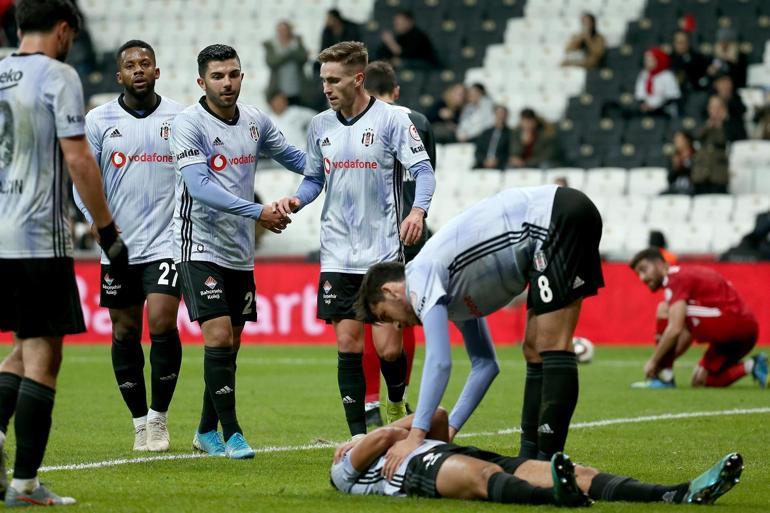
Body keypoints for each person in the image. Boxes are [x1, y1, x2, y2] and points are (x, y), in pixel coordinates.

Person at [355, 184, 603, 478]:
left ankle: (549, 462)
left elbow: (439, 361)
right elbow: (485, 365)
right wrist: (450, 428)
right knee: (533, 348)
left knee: (552, 342)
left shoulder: (419, 275)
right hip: (550, 224)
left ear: (389, 291)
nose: (399, 325)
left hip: (552, 217)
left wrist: (416, 435)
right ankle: (529, 458)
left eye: (387, 316)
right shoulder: (448, 291)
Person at [273, 41, 436, 439]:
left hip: (382, 254)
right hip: (336, 253)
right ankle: (358, 436)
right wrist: (298, 198)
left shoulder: (393, 121)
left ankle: (395, 399)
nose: (326, 87)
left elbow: (424, 171)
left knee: (390, 350)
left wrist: (417, 211)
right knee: (347, 344)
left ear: (358, 78)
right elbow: (315, 178)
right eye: (323, 79)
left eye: (334, 80)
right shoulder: (319, 126)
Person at [0, 0, 128, 506]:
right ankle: (26, 484)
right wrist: (106, 230)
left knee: (25, 345)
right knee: (45, 356)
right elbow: (78, 159)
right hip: (36, 236)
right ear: (64, 29)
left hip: (0, 234)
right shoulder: (58, 75)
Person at [170, 44, 305, 459]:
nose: (226, 83)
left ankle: (205, 430)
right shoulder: (188, 125)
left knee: (231, 345)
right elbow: (200, 188)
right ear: (201, 82)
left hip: (239, 252)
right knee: (217, 335)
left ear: (242, 76)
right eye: (217, 76)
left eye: (233, 74)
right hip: (198, 244)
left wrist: (336, 164)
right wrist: (259, 212)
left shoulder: (254, 121)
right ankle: (234, 434)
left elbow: (295, 157)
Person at [72, 40, 183, 453]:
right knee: (125, 329)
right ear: (119, 75)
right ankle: (139, 421)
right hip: (118, 246)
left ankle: (159, 418)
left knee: (161, 322)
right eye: (130, 65)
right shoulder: (99, 120)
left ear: (156, 71)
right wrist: (102, 231)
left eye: (146, 63)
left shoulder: (181, 117)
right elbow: (83, 183)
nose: (139, 70)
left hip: (167, 242)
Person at [332, 409, 744, 506]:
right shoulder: (342, 474)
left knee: (573, 469)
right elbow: (384, 435)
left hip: (444, 450)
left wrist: (397, 435)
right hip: (418, 471)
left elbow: (436, 416)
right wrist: (361, 442)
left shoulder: (376, 446)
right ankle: (555, 498)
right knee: (481, 476)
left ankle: (673, 494)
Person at [360, 60, 437, 426]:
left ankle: (370, 402)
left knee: (369, 318)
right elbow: (426, 175)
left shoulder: (361, 121)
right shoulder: (419, 122)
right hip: (413, 234)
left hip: (369, 234)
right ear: (397, 91)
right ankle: (399, 398)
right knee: (403, 317)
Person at [629, 248, 768, 389]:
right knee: (700, 380)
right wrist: (664, 359)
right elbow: (686, 334)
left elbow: (675, 330)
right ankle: (753, 365)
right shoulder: (684, 275)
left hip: (735, 325)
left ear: (660, 264)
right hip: (739, 334)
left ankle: (665, 377)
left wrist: (654, 361)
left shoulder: (675, 279)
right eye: (638, 274)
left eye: (644, 269)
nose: (642, 278)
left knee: (665, 309)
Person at [691, 96, 733, 194]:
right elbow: (694, 137)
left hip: (718, 172)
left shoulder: (730, 124)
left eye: (718, 107)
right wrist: (707, 126)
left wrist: (720, 124)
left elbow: (729, 140)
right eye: (713, 107)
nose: (715, 111)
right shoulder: (702, 122)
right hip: (701, 171)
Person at [264, 21, 309, 105]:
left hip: (297, 87)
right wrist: (290, 54)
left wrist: (285, 55)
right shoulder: (271, 45)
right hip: (278, 87)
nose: (283, 33)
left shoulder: (297, 42)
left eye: (284, 30)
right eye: (280, 30)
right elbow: (271, 62)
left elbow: (303, 57)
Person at [634, 47, 681, 118]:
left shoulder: (667, 75)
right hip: (647, 110)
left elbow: (672, 97)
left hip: (664, 111)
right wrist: (644, 104)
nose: (646, 63)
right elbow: (639, 94)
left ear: (658, 60)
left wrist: (656, 107)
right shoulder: (643, 74)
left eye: (650, 60)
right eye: (646, 60)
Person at [474, 105, 511, 169]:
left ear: (506, 116)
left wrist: (497, 160)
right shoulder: (486, 133)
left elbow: (508, 152)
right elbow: (478, 151)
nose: (500, 116)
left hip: (500, 165)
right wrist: (484, 161)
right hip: (482, 165)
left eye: (503, 113)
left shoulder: (510, 134)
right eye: (498, 113)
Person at [712, 73, 747, 141]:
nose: (725, 86)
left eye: (727, 82)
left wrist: (727, 119)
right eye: (722, 82)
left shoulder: (737, 102)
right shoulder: (710, 99)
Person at [665, 130, 695, 195]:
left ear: (687, 141)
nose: (676, 142)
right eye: (675, 140)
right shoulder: (674, 157)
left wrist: (685, 164)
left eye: (679, 140)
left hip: (693, 188)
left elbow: (698, 175)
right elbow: (669, 179)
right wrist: (675, 167)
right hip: (675, 188)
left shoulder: (696, 155)